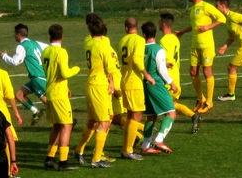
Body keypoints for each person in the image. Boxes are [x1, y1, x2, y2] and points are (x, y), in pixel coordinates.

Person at [175, 0, 225, 112]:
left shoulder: (206, 6)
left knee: (207, 72)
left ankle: (209, 101)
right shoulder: (193, 9)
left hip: (206, 45)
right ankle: (201, 98)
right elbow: (195, 26)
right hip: (194, 44)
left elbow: (222, 18)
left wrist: (208, 27)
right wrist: (182, 31)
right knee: (193, 72)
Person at [74, 14, 116, 168]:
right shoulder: (104, 45)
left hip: (90, 84)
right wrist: (112, 83)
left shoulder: (88, 42)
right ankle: (96, 159)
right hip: (99, 86)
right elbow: (110, 67)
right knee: (104, 122)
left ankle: (78, 150)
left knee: (92, 121)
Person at [40, 24, 81, 171]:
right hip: (59, 95)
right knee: (67, 125)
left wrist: (66, 87)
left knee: (57, 126)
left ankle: (49, 158)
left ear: (49, 36)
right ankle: (63, 161)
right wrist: (76, 69)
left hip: (50, 92)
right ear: (62, 36)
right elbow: (64, 73)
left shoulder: (45, 51)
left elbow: (53, 73)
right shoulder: (61, 52)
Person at [138, 21, 177, 154]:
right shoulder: (158, 49)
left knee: (151, 116)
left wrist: (164, 65)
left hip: (145, 84)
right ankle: (159, 140)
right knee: (171, 113)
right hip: (156, 84)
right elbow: (161, 70)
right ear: (155, 33)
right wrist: (171, 82)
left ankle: (145, 146)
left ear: (143, 34)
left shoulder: (141, 48)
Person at [159, 12, 200, 132]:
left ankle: (156, 138)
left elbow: (168, 62)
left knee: (165, 109)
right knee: (171, 106)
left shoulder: (164, 40)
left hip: (169, 81)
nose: (158, 24)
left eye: (159, 21)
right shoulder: (175, 38)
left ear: (163, 23)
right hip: (175, 78)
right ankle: (194, 116)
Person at [0, 23, 48, 124]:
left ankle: (65, 121)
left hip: (37, 77)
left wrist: (4, 56)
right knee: (19, 95)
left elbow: (15, 61)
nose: (14, 36)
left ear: (18, 34)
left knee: (48, 103)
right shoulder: (36, 43)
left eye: (15, 34)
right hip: (38, 76)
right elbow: (49, 48)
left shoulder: (22, 46)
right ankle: (36, 111)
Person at [116, 16, 147, 160]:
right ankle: (128, 150)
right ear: (137, 26)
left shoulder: (122, 41)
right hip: (134, 83)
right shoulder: (140, 40)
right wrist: (147, 75)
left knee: (129, 116)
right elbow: (136, 60)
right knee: (136, 115)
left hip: (124, 81)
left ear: (126, 28)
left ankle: (126, 148)